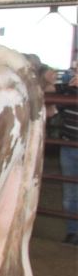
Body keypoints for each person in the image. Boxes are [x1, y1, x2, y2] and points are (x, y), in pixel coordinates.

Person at [59, 70, 78, 245]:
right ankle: (73, 232)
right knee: (70, 194)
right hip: (68, 146)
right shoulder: (70, 91)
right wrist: (68, 88)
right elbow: (57, 108)